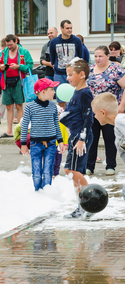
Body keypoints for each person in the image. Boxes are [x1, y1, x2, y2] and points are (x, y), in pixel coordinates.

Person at [60, 58, 94, 219]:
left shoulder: (85, 93)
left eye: (70, 74)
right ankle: (82, 206)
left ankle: (89, 203)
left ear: (81, 74)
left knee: (71, 170)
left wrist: (82, 138)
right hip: (76, 134)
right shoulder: (77, 92)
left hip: (80, 136)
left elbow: (88, 118)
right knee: (74, 170)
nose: (67, 78)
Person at [86, 45, 125, 176]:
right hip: (93, 111)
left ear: (108, 56)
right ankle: (89, 166)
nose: (97, 59)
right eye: (95, 56)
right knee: (91, 138)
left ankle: (110, 166)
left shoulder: (116, 70)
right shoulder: (90, 69)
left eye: (100, 56)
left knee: (110, 138)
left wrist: (121, 107)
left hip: (110, 111)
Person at [20, 78, 65, 191]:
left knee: (48, 171)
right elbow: (24, 126)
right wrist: (23, 144)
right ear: (43, 92)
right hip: (36, 144)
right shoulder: (30, 107)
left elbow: (56, 124)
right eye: (51, 89)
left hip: (51, 144)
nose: (54, 92)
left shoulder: (53, 106)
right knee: (36, 171)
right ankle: (37, 193)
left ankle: (47, 193)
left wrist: (60, 141)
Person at [0, 34, 33, 138]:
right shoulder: (4, 52)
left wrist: (19, 66)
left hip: (19, 82)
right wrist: (1, 67)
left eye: (11, 44)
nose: (9, 47)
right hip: (7, 82)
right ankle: (9, 131)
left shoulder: (23, 52)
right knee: (8, 106)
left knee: (19, 106)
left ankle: (21, 130)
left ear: (16, 41)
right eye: (8, 45)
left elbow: (30, 66)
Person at [49, 20, 84, 107]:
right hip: (59, 74)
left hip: (74, 73)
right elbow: (52, 58)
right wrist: (55, 65)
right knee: (61, 100)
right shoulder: (54, 42)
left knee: (74, 100)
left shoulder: (77, 40)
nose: (70, 30)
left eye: (71, 28)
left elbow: (80, 56)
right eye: (67, 28)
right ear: (61, 29)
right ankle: (62, 119)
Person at [91, 93, 125, 166]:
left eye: (95, 113)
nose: (95, 117)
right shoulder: (116, 128)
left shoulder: (120, 121)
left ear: (103, 113)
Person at [53, 105, 69, 178]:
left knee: (58, 160)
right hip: (51, 145)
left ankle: (56, 173)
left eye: (58, 114)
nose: (57, 116)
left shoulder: (62, 124)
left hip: (60, 145)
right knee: (51, 161)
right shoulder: (50, 124)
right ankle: (51, 173)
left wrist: (66, 143)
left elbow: (65, 134)